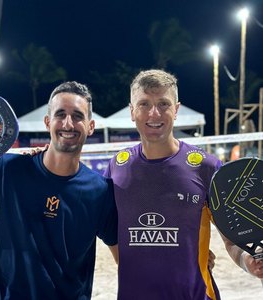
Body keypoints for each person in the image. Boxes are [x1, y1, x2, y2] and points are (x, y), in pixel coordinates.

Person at [104, 69, 263, 299]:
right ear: (131, 111)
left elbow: (232, 240)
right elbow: (108, 231)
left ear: (176, 109)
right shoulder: (117, 167)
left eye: (163, 104)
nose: (154, 113)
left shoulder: (206, 167)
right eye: (144, 104)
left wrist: (248, 261)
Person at [0, 81, 118, 300]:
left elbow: (124, 260)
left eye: (77, 116)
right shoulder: (8, 170)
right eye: (60, 114)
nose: (68, 123)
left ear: (90, 126)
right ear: (47, 122)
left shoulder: (100, 191)